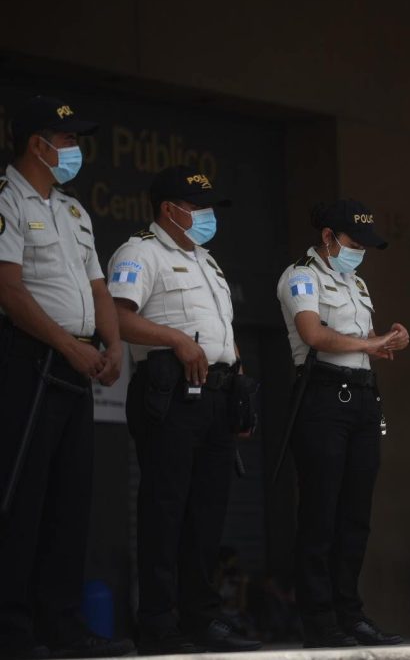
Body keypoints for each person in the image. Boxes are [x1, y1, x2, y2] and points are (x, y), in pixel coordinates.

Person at [107, 165, 261, 654]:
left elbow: (221, 334)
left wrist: (238, 390)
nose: (206, 216)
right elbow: (118, 318)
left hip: (215, 398)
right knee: (165, 509)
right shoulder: (140, 252)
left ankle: (202, 619)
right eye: (197, 207)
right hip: (169, 396)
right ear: (169, 210)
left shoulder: (207, 262)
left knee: (207, 515)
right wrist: (175, 340)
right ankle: (158, 620)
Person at [0, 96, 133, 659]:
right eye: (68, 140)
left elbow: (98, 288)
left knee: (70, 497)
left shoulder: (74, 212)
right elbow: (7, 288)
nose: (75, 150)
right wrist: (66, 348)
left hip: (77, 366)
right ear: (39, 144)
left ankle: (62, 624)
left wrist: (114, 344)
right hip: (29, 360)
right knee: (23, 498)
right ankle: (13, 629)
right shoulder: (7, 199)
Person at [276, 200, 408, 648]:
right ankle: (319, 619)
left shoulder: (357, 283)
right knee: (321, 513)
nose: (360, 252)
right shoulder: (301, 276)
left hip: (362, 399)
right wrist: (369, 343)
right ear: (329, 237)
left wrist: (387, 341)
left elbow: (360, 346)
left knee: (355, 515)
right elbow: (314, 335)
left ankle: (350, 613)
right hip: (322, 398)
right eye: (354, 243)